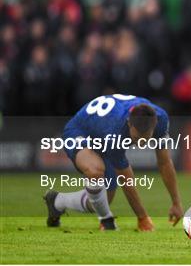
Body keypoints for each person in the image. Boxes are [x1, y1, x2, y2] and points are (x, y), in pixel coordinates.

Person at [43, 94, 183, 231]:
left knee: (102, 200)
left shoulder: (162, 118)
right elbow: (126, 179)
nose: (140, 143)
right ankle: (107, 220)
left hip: (102, 133)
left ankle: (57, 201)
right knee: (95, 170)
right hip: (79, 131)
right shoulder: (115, 130)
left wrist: (176, 203)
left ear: (156, 125)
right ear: (129, 123)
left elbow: (165, 162)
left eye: (145, 139)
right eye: (136, 138)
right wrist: (142, 217)